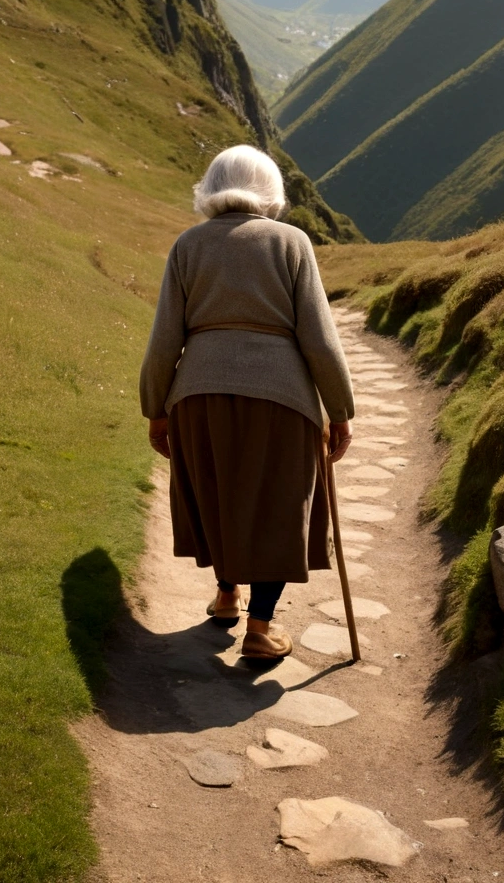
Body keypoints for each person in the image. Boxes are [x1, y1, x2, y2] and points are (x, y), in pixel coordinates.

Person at [139, 145, 354, 659]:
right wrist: (341, 410)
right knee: (277, 505)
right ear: (272, 191)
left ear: (211, 187)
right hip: (283, 399)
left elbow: (165, 339)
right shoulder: (291, 244)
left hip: (197, 395)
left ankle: (226, 594)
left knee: (220, 495)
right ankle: (259, 627)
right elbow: (320, 340)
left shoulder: (188, 246)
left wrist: (156, 408)